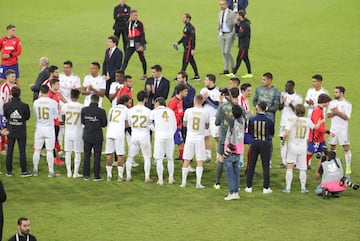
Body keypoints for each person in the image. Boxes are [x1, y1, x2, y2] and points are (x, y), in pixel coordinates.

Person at [282, 104, 322, 193]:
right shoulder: (307, 120)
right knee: (303, 167)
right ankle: (303, 188)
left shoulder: (291, 120)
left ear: (295, 112)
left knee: (290, 166)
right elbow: (315, 127)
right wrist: (319, 122)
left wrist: (283, 141)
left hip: (292, 146)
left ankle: (288, 188)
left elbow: (286, 133)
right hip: (303, 147)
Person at [214, 87, 243, 190]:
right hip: (236, 139)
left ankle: (218, 183)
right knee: (235, 161)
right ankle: (236, 185)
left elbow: (216, 122)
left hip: (223, 137)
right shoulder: (239, 108)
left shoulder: (222, 107)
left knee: (221, 159)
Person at [180, 94, 209, 188]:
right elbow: (207, 126)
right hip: (200, 137)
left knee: (187, 159)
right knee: (200, 159)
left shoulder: (188, 111)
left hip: (190, 137)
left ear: (194, 100)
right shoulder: (205, 112)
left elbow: (184, 124)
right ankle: (198, 183)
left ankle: (183, 182)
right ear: (202, 101)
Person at [245, 101, 274, 194]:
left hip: (254, 143)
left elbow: (249, 131)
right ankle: (266, 188)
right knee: (265, 166)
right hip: (265, 144)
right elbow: (271, 133)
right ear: (266, 109)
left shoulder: (252, 119)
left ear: (258, 107)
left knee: (251, 165)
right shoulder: (269, 120)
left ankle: (248, 187)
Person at [3, 86, 31, 177]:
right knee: (22, 151)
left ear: (11, 94)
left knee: (10, 150)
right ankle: (24, 171)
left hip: (10, 131)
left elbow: (6, 116)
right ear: (20, 94)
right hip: (21, 131)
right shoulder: (24, 106)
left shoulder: (6, 105)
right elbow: (27, 117)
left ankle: (9, 171)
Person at [125, 90, 152, 183]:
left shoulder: (130, 110)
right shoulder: (148, 111)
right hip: (144, 135)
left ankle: (128, 176)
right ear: (145, 99)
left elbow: (129, 123)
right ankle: (147, 177)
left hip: (134, 134)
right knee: (146, 157)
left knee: (130, 156)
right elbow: (150, 124)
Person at [32, 85, 59, 177]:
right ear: (48, 91)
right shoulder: (53, 102)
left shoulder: (36, 102)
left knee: (37, 150)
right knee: (49, 151)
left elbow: (35, 115)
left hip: (39, 128)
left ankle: (35, 170)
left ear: (40, 92)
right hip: (49, 129)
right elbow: (55, 116)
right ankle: (51, 171)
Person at [149, 97, 177, 185]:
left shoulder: (154, 111)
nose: (154, 105)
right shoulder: (171, 111)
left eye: (155, 103)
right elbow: (175, 126)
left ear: (157, 103)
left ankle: (160, 179)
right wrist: (171, 133)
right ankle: (171, 178)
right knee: (170, 158)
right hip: (169, 136)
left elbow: (149, 123)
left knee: (159, 158)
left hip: (159, 136)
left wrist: (156, 130)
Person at [81, 94, 107, 181]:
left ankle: (86, 175)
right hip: (97, 136)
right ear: (98, 101)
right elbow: (104, 124)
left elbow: (83, 122)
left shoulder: (84, 110)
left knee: (86, 155)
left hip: (87, 135)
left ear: (90, 100)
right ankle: (96, 175)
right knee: (97, 156)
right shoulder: (101, 111)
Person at [327, 86, 352, 175]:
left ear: (341, 93)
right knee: (332, 148)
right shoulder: (332, 103)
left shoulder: (347, 104)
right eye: (334, 92)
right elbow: (328, 115)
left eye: (336, 92)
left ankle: (348, 167)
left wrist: (337, 112)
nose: (334, 94)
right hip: (333, 129)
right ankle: (334, 167)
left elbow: (346, 117)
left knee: (346, 148)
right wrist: (334, 113)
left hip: (343, 130)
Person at [104, 95, 129, 181]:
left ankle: (109, 175)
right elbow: (127, 124)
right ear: (125, 102)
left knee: (109, 154)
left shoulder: (112, 108)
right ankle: (120, 176)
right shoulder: (126, 110)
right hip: (119, 134)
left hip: (110, 132)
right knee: (120, 154)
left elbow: (108, 121)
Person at [223, 104, 245, 200]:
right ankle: (236, 192)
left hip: (230, 149)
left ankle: (231, 192)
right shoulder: (242, 121)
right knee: (236, 172)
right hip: (239, 149)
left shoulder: (232, 122)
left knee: (230, 173)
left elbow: (223, 114)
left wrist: (221, 103)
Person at [278, 80, 302, 167]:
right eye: (285, 86)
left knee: (293, 141)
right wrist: (283, 102)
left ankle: (293, 161)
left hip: (293, 121)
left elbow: (298, 111)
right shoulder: (283, 94)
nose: (285, 88)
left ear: (292, 87)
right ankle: (284, 161)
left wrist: (289, 103)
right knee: (282, 140)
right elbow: (280, 108)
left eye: (287, 86)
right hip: (284, 121)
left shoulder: (298, 97)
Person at [306, 93, 333, 169]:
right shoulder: (317, 111)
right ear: (325, 102)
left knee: (324, 154)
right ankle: (303, 168)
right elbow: (316, 126)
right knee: (309, 154)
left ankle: (321, 171)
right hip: (316, 137)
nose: (328, 104)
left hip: (321, 138)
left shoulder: (320, 110)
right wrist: (327, 131)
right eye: (328, 102)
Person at [61, 89, 84, 178]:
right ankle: (75, 173)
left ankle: (68, 172)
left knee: (68, 152)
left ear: (70, 96)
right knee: (77, 152)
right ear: (78, 97)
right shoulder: (81, 107)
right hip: (77, 132)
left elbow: (63, 117)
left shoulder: (65, 106)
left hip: (68, 131)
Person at [121, 9, 147, 80]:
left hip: (138, 42)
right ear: (130, 15)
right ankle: (121, 73)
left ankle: (144, 74)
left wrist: (142, 45)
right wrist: (128, 41)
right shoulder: (128, 23)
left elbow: (142, 34)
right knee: (126, 58)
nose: (135, 17)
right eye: (134, 15)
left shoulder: (139, 23)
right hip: (131, 41)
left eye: (136, 15)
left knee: (142, 59)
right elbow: (126, 34)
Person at [200, 74, 220, 162]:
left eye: (206, 79)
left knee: (216, 137)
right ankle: (208, 156)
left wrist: (208, 98)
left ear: (211, 81)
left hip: (214, 118)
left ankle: (218, 157)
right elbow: (200, 104)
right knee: (205, 136)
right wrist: (204, 99)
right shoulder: (203, 90)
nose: (204, 81)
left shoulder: (217, 92)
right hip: (204, 117)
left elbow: (216, 106)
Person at [174, 13, 200, 80]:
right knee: (191, 61)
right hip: (186, 47)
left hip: (189, 48)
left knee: (185, 62)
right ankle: (197, 76)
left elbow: (193, 38)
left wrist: (193, 49)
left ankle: (180, 77)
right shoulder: (186, 27)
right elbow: (184, 37)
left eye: (184, 18)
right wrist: (178, 43)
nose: (182, 19)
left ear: (188, 19)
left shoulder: (191, 28)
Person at [226, 10, 252, 78]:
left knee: (239, 58)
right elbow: (238, 31)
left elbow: (240, 34)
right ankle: (249, 73)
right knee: (245, 59)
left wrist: (238, 33)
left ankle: (233, 72)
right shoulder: (242, 23)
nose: (236, 16)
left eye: (237, 15)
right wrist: (235, 24)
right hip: (242, 44)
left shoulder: (245, 25)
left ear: (240, 16)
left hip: (244, 45)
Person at [168, 83, 188, 165]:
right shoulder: (174, 101)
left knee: (180, 143)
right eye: (185, 91)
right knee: (180, 144)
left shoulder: (180, 100)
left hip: (178, 125)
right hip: (174, 126)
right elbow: (168, 112)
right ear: (181, 92)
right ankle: (185, 164)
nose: (187, 93)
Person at [48, 78, 65, 165]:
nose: (59, 86)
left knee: (54, 138)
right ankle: (55, 158)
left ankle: (37, 147)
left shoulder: (57, 93)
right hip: (51, 122)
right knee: (52, 139)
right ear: (53, 85)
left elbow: (63, 102)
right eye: (57, 84)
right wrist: (57, 111)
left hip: (56, 120)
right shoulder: (49, 95)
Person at [1, 69, 17, 154]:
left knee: (12, 128)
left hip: (13, 112)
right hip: (5, 112)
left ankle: (7, 144)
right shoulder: (4, 88)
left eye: (14, 76)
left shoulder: (15, 86)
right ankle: (3, 148)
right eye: (12, 76)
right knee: (4, 129)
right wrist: (4, 114)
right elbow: (2, 102)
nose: (14, 78)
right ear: (7, 77)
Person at [218, 0, 236, 75]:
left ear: (227, 5)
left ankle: (233, 66)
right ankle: (226, 69)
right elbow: (219, 23)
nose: (221, 6)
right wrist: (219, 32)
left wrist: (232, 34)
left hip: (229, 34)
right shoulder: (220, 13)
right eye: (220, 4)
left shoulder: (232, 13)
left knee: (227, 51)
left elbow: (235, 24)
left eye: (223, 4)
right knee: (223, 52)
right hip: (222, 34)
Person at [102, 36, 123, 100]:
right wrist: (104, 74)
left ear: (114, 43)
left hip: (114, 77)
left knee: (113, 92)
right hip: (106, 76)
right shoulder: (107, 51)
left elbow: (118, 66)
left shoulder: (119, 52)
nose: (108, 43)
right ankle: (113, 103)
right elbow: (105, 63)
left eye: (110, 42)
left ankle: (115, 103)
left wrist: (110, 76)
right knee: (106, 91)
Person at [239, 83, 252, 170]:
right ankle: (240, 166)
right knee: (240, 148)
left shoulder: (245, 99)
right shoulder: (240, 100)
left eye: (250, 91)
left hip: (246, 128)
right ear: (243, 91)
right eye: (248, 91)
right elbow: (239, 114)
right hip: (241, 129)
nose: (250, 92)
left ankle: (249, 168)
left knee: (251, 146)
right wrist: (249, 115)